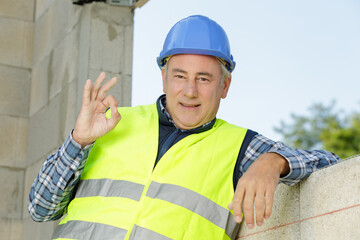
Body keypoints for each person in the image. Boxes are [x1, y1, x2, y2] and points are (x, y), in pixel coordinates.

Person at [28, 15, 340, 240]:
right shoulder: (111, 124)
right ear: (164, 77)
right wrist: (78, 141)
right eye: (179, 76)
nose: (189, 91)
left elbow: (330, 164)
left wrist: (275, 162)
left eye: (204, 79)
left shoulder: (241, 147)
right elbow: (40, 209)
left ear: (225, 86)